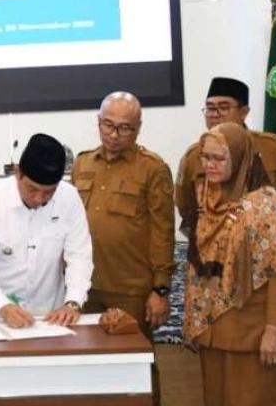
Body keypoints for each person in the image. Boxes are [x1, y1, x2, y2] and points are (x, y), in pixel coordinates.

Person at [176, 76, 276, 405]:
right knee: (219, 390)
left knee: (271, 385)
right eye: (210, 108)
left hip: (255, 310)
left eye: (223, 107)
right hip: (215, 312)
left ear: (244, 111)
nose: (209, 165)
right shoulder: (203, 183)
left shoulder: (266, 191)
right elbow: (188, 214)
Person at [72, 92, 174, 402]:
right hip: (85, 286)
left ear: (138, 128)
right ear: (98, 122)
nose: (114, 135)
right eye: (108, 125)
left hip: (130, 288)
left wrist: (160, 290)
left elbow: (163, 231)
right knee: (87, 363)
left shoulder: (152, 168)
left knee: (137, 366)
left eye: (124, 128)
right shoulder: (82, 162)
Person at [0, 133, 93, 328]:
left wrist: (73, 302)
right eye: (32, 189)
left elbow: (79, 256)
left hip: (49, 317)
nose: (39, 199)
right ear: (18, 173)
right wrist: (3, 306)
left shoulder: (69, 199)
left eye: (49, 192)